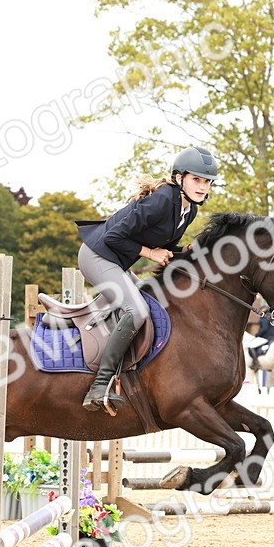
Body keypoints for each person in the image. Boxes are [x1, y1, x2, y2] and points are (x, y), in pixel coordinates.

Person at [75, 146, 216, 411]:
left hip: (116, 260)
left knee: (153, 304)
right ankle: (99, 385)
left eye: (207, 181)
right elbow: (112, 237)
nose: (202, 186)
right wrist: (150, 253)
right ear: (179, 178)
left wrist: (187, 252)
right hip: (96, 255)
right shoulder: (164, 199)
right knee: (137, 311)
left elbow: (166, 250)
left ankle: (129, 375)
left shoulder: (189, 210)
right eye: (196, 179)